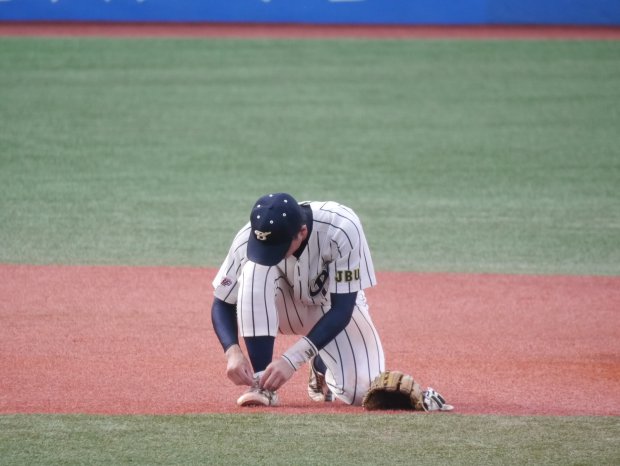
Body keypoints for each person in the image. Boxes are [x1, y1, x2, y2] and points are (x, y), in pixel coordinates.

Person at [211, 192, 385, 407]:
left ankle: (321, 364)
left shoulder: (341, 227)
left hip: (332, 309)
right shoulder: (247, 238)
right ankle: (262, 383)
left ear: (302, 232)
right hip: (277, 307)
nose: (268, 253)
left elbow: (343, 309)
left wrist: (291, 360)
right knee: (254, 269)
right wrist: (232, 351)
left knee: (363, 392)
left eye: (277, 248)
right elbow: (222, 302)